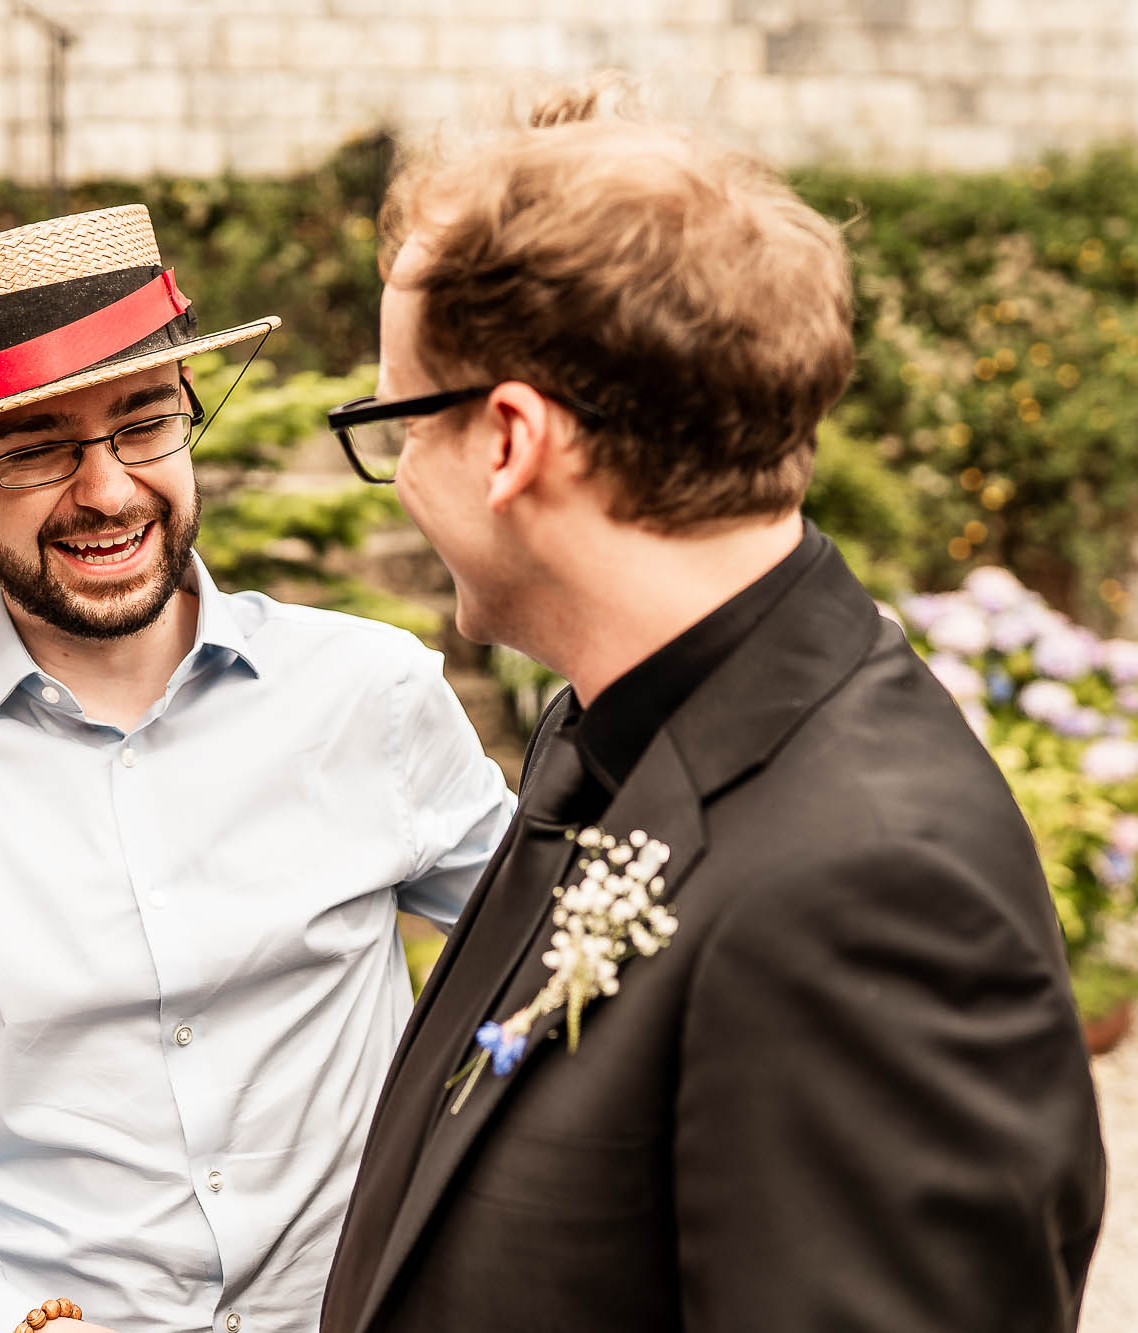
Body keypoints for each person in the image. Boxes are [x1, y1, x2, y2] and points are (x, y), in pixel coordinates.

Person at [317, 87, 1107, 1333]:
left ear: (509, 441)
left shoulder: (866, 892)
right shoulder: (608, 737)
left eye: (392, 421)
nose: (397, 478)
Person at [0, 205, 515, 1333]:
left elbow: (570, 987)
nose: (109, 491)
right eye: (33, 448)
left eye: (143, 424)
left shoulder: (372, 693)